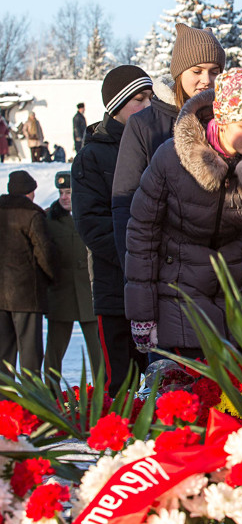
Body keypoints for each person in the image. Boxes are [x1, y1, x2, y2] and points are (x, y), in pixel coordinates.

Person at [125, 70, 242, 355]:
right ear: (221, 120)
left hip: (234, 299)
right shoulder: (171, 159)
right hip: (177, 294)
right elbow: (143, 233)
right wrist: (142, 313)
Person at [112, 23, 225, 269]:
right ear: (179, 72)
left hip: (220, 267)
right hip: (165, 267)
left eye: (214, 71)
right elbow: (125, 203)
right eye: (197, 71)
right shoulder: (144, 124)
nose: (206, 80)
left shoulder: (227, 123)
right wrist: (136, 272)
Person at [71, 66, 153, 397]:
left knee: (165, 385)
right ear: (116, 105)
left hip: (157, 290)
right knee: (121, 387)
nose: (148, 106)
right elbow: (91, 224)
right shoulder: (92, 156)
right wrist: (136, 256)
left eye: (151, 98)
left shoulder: (158, 146)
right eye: (139, 99)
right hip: (115, 289)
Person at [44, 171, 102, 388]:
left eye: (68, 192)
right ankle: (51, 392)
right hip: (61, 292)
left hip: (88, 291)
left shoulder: (90, 214)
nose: (64, 197)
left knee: (97, 349)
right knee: (54, 350)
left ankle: (102, 391)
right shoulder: (50, 219)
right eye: (61, 193)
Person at [0, 170, 55, 374]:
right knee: (30, 354)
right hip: (26, 295)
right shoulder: (32, 215)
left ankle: (4, 393)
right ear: (30, 192)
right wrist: (51, 277)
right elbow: (44, 252)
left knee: (3, 354)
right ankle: (31, 392)